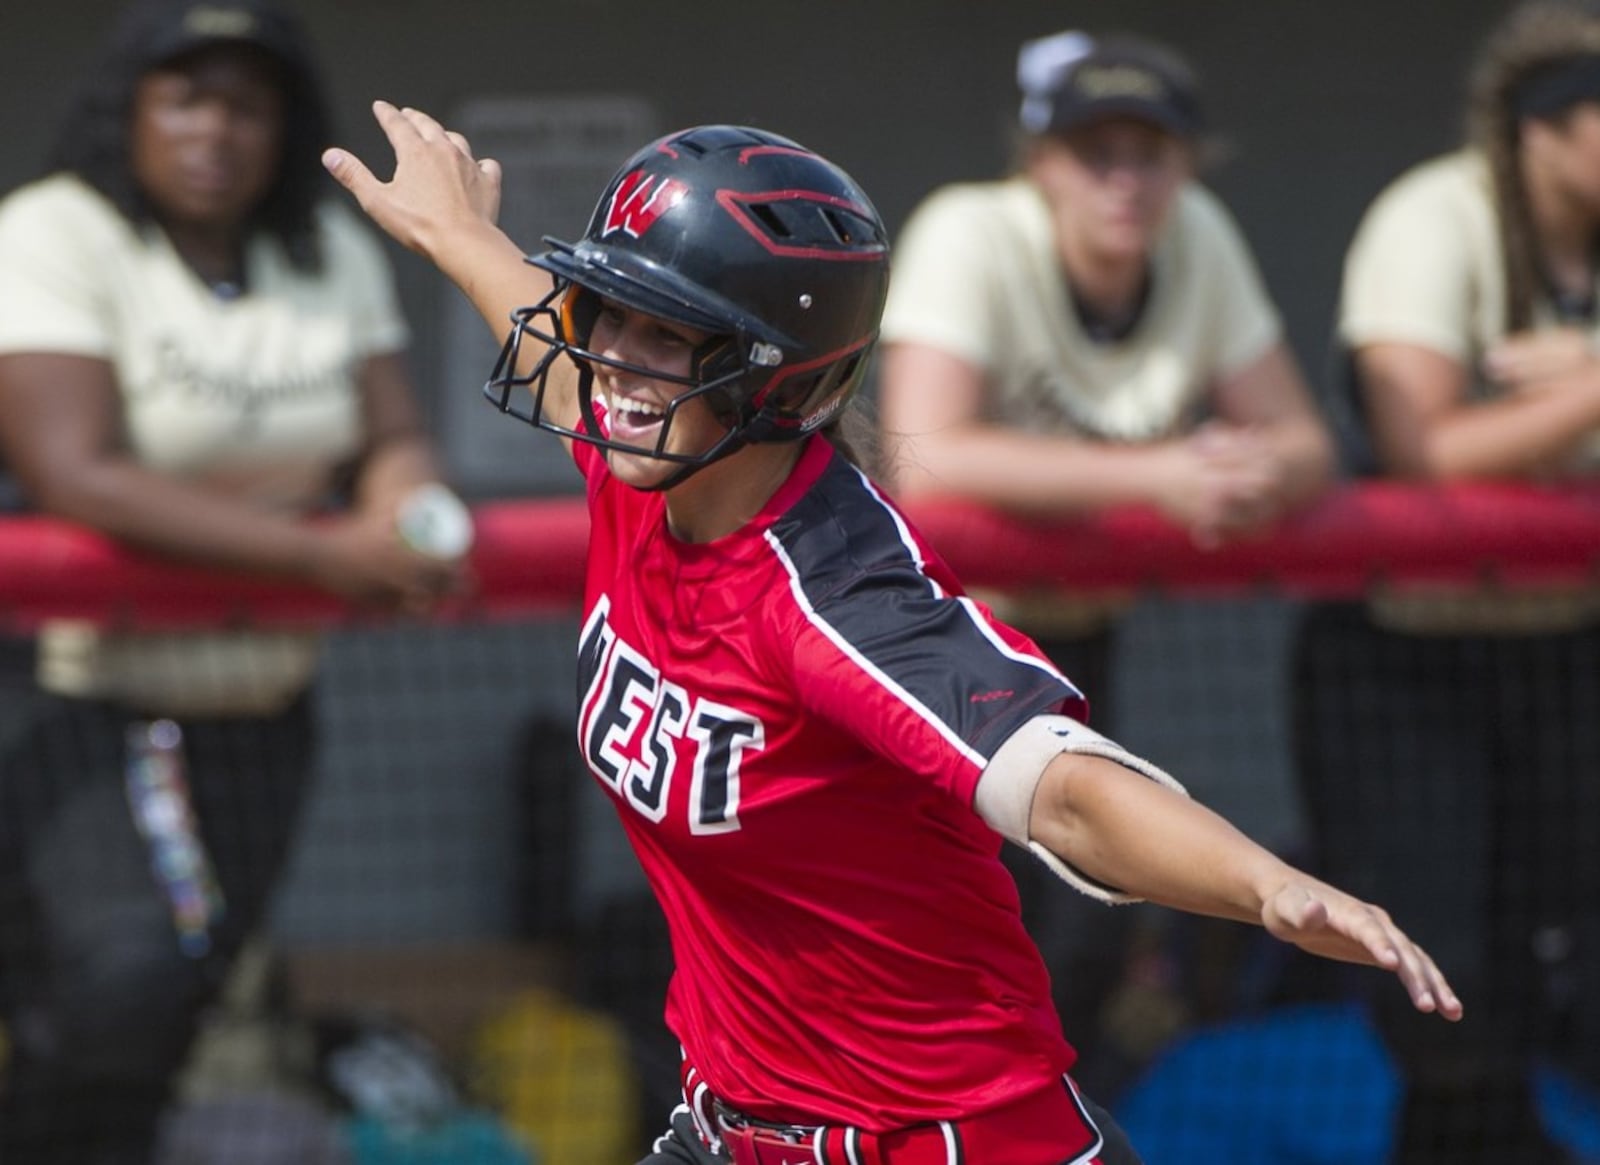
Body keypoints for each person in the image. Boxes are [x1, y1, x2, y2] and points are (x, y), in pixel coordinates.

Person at [320, 101, 1459, 1165]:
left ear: (776, 382)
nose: (615, 360)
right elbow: (570, 360)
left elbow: (1059, 787)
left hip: (946, 1136)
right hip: (737, 1125)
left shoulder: (833, 596)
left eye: (670, 337)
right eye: (612, 315)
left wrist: (1263, 885)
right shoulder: (653, 463)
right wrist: (458, 231)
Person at [0, 1, 466, 1161]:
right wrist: (327, 555)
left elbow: (390, 432)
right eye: (186, 94)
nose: (216, 127)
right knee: (118, 980)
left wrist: (404, 513)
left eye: (247, 102)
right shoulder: (56, 230)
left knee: (185, 993)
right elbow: (74, 470)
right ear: (133, 109)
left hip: (260, 699)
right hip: (82, 692)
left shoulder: (323, 245)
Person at [874, 29, 1335, 1094]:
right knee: (938, 952)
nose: (1124, 180)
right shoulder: (971, 228)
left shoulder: (1198, 234)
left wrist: (1247, 473)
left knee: (1071, 948)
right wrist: (1156, 476)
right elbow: (926, 457)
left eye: (1151, 152)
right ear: (1038, 160)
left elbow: (1307, 445)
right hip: (928, 652)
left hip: (1072, 645)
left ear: (1188, 162)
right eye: (1095, 152)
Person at [1293, 2, 1600, 1161]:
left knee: (1547, 962)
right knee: (1437, 973)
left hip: (1567, 648)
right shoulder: (1438, 214)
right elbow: (1427, 447)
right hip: (1405, 655)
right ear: (1544, 125)